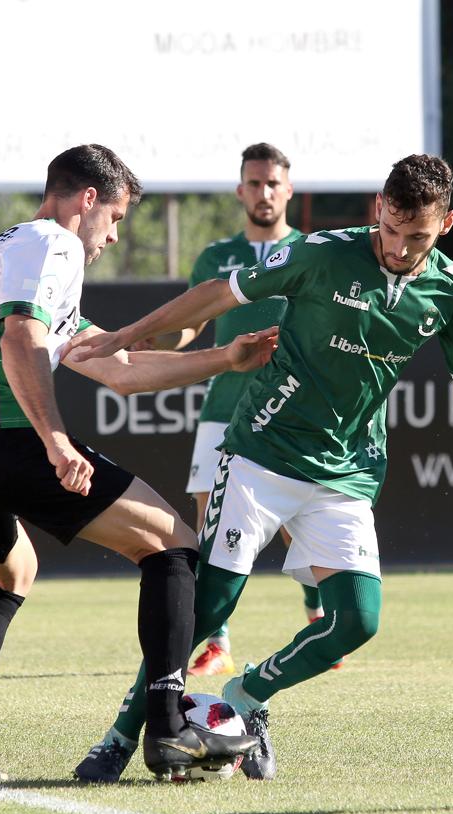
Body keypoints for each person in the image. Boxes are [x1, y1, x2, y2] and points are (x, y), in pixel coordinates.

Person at [67, 153, 453, 783]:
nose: (399, 248)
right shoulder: (324, 253)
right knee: (208, 608)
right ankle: (120, 737)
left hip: (345, 472)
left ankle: (245, 698)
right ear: (379, 207)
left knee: (359, 621)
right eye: (392, 229)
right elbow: (219, 292)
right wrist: (125, 334)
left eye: (417, 237)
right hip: (262, 452)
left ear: (447, 223)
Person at [0, 144, 270, 783]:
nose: (111, 236)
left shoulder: (9, 250)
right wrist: (55, 439)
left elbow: (116, 367)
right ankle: (167, 728)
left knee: (8, 574)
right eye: (116, 218)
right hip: (5, 442)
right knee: (174, 547)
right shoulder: (52, 243)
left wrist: (224, 360)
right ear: (87, 200)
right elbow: (23, 336)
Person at [150, 142, 321, 680]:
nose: (263, 192)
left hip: (290, 406)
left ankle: (319, 616)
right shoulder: (214, 257)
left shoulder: (312, 252)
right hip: (224, 409)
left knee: (298, 522)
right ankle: (215, 640)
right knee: (210, 518)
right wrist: (161, 339)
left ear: (288, 190)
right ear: (240, 189)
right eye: (254, 182)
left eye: (273, 183)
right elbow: (190, 326)